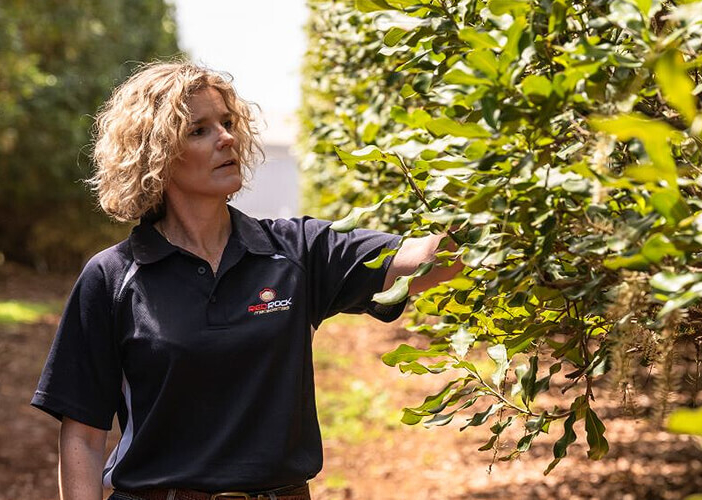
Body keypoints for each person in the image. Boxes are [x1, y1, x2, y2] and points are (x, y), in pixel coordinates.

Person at [31, 61, 455, 500]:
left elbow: (427, 260)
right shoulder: (113, 277)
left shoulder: (296, 252)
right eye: (200, 130)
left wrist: (502, 196)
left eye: (228, 122)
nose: (227, 138)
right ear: (156, 156)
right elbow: (83, 434)